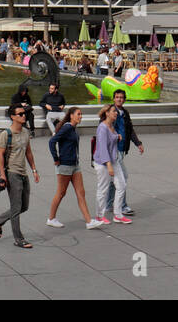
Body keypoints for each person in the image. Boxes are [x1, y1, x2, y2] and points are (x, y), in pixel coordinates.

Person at [46, 107, 105, 230]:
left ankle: (89, 221)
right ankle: (51, 219)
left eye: (81, 114)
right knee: (61, 193)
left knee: (81, 193)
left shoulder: (73, 129)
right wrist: (56, 158)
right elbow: (52, 142)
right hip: (65, 165)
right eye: (78, 114)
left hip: (75, 165)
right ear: (71, 115)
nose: (80, 116)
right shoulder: (67, 128)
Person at [0, 103, 40, 248]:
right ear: (12, 117)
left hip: (24, 173)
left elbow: (28, 152)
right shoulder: (6, 134)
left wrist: (34, 170)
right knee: (16, 206)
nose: (23, 115)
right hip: (12, 173)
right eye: (20, 114)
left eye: (24, 113)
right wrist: (2, 175)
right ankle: (19, 239)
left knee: (24, 206)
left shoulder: (25, 132)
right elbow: (0, 155)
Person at [106, 89, 143, 217]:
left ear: (124, 99)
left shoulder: (125, 113)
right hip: (113, 150)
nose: (119, 99)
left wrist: (138, 143)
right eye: (117, 97)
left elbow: (130, 129)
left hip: (122, 150)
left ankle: (109, 204)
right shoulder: (111, 112)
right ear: (113, 99)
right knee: (122, 177)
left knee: (113, 178)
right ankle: (122, 206)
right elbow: (104, 128)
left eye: (121, 97)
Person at [92, 105, 129, 225]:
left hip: (114, 160)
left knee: (121, 185)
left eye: (116, 112)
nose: (116, 113)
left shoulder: (111, 126)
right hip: (104, 162)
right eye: (114, 111)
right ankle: (99, 215)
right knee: (103, 188)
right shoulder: (102, 127)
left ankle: (118, 214)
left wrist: (117, 137)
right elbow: (102, 147)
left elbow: (110, 140)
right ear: (107, 113)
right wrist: (108, 165)